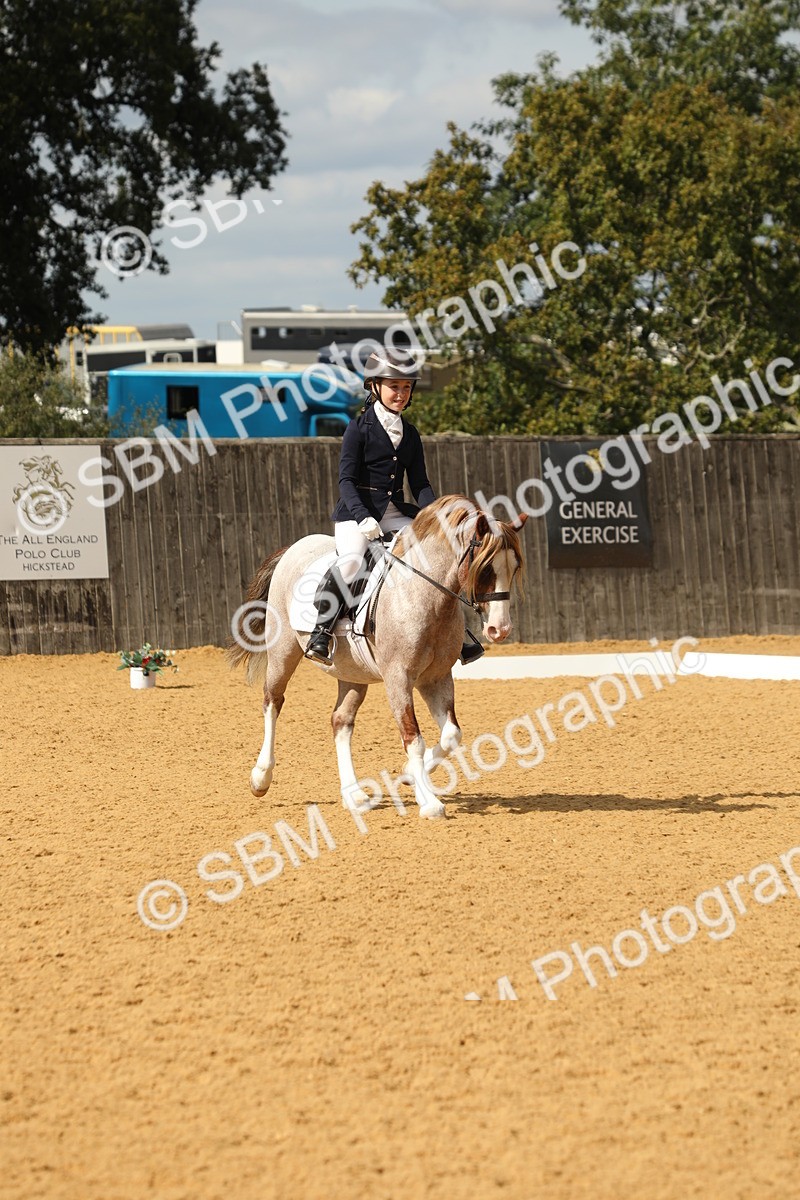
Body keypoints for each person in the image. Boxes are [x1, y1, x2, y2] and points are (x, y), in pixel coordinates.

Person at [303, 347, 485, 667]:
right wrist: (362, 518)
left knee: (434, 558)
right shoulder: (358, 429)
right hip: (355, 513)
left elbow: (420, 485)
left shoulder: (410, 433)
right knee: (350, 563)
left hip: (395, 512)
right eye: (394, 387)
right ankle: (321, 630)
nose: (400, 394)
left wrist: (436, 517)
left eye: (405, 388)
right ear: (375, 386)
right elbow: (346, 481)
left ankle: (458, 633)